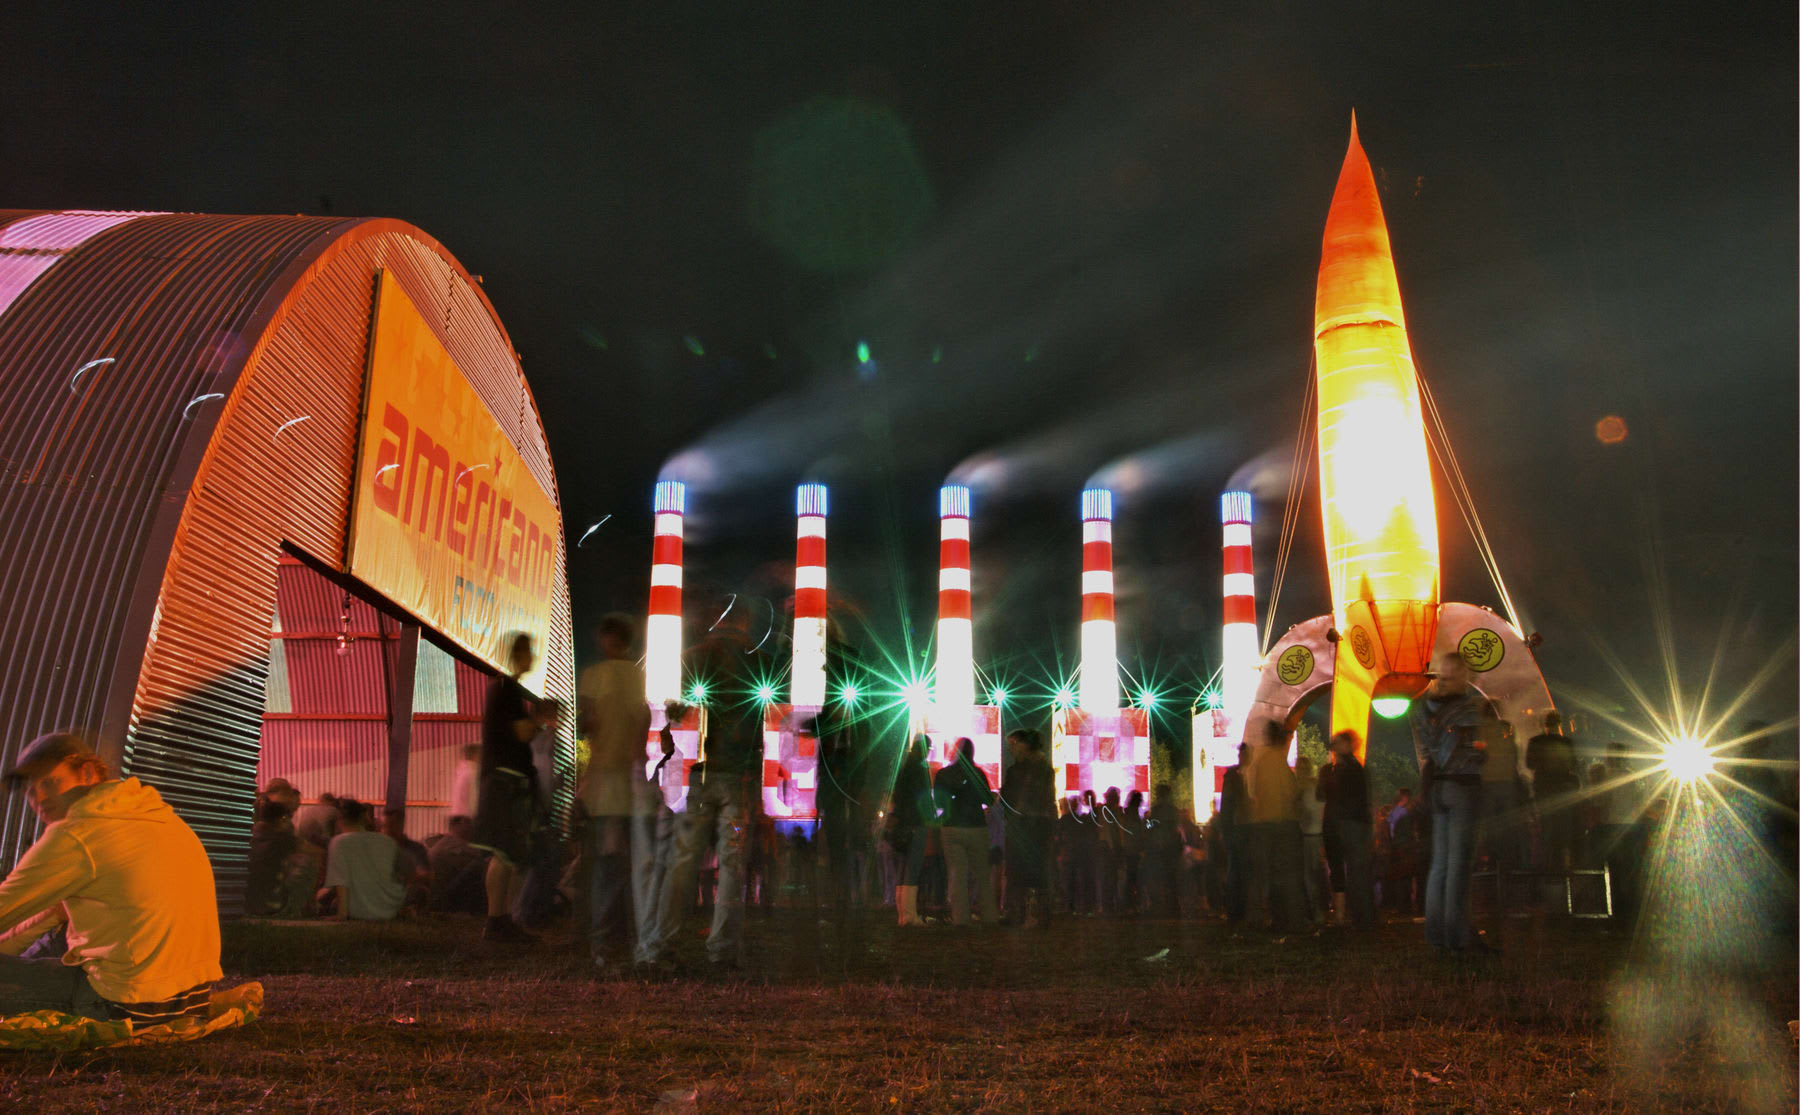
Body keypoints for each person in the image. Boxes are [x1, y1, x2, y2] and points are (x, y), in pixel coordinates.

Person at [0, 733, 222, 1023]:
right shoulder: (154, 814)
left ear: (88, 773)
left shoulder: (77, 831)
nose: (39, 799)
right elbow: (53, 914)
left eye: (50, 783)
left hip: (121, 1006)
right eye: (31, 791)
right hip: (190, 1001)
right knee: (60, 924)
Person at [643, 597, 763, 970]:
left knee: (682, 862)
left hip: (696, 776)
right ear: (743, 623)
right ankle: (721, 948)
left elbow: (669, 714)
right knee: (731, 864)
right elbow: (763, 719)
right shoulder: (755, 662)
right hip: (736, 779)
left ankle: (660, 944)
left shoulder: (694, 657)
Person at [576, 612, 652, 970]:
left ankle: (600, 942)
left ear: (608, 639)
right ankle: (631, 937)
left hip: (605, 783)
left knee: (603, 863)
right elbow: (645, 720)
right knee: (631, 864)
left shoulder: (594, 675)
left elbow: (586, 722)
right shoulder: (639, 676)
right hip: (632, 784)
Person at [472, 632, 555, 943]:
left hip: (506, 779)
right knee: (503, 852)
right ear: (517, 655)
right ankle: (496, 921)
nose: (532, 656)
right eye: (528, 651)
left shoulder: (505, 689)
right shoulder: (505, 689)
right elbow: (521, 733)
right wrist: (540, 718)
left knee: (508, 853)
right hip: (505, 781)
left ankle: (501, 919)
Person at [1409, 652, 1493, 954]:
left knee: (1440, 866)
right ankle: (1459, 936)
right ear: (1461, 674)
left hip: (1438, 787)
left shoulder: (1423, 708)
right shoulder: (1468, 708)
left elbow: (1429, 751)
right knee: (1459, 865)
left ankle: (1436, 935)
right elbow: (1476, 750)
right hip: (1463, 786)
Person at [1244, 722, 1304, 932]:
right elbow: (1290, 792)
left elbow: (1255, 794)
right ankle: (1287, 919)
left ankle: (1272, 917)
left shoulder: (1261, 761)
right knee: (1285, 876)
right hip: (1282, 825)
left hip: (1265, 825)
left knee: (1270, 876)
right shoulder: (1278, 760)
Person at [933, 737, 998, 926]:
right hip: (976, 826)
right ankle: (990, 916)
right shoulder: (978, 773)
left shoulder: (943, 774)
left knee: (957, 874)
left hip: (952, 826)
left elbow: (938, 802)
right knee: (982, 875)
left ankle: (961, 918)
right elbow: (987, 798)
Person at [1317, 730, 1375, 928]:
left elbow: (1331, 796)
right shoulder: (1349, 768)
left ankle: (1354, 916)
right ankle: (1352, 916)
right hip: (1346, 824)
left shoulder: (1346, 769)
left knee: (1347, 870)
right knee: (1351, 870)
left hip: (1345, 824)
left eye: (1337, 743)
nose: (1334, 747)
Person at [1001, 729, 1056, 928]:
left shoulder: (1018, 771)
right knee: (1036, 870)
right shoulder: (1045, 769)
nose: (1011, 749)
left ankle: (1020, 913)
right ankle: (1035, 914)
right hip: (1039, 825)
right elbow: (1049, 800)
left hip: (1023, 825)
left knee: (1020, 871)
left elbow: (1007, 798)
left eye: (1013, 745)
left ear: (1024, 745)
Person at [1475, 701, 1526, 912]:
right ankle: (1508, 879)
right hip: (1506, 787)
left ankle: (1490, 875)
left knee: (1489, 831)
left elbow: (1476, 758)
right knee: (1507, 834)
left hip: (1487, 786)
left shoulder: (1478, 732)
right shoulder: (1506, 732)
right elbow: (1514, 758)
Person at [319, 798, 406, 921]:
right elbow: (400, 877)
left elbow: (341, 882)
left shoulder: (339, 843)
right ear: (364, 818)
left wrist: (341, 915)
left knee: (330, 903)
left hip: (362, 911)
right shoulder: (387, 841)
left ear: (339, 821)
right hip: (390, 908)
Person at [1525, 711, 1581, 888]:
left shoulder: (1536, 742)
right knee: (1563, 829)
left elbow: (1529, 764)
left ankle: (1546, 870)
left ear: (1545, 724)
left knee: (1545, 828)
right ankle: (1563, 870)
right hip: (1562, 791)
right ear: (1559, 724)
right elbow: (1574, 764)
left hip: (1543, 790)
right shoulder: (1567, 742)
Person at [889, 734, 933, 926]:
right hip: (916, 823)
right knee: (913, 868)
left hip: (902, 824)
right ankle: (909, 915)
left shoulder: (903, 767)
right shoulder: (920, 770)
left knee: (902, 867)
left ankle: (902, 914)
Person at [428, 816, 488, 914]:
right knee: (483, 864)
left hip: (441, 899)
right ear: (461, 822)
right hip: (444, 903)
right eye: (470, 822)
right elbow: (482, 857)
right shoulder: (456, 845)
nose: (474, 827)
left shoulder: (444, 842)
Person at [1293, 756, 1329, 924]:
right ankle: (1319, 910)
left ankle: (1313, 911)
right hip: (1317, 834)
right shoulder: (1316, 786)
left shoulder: (1298, 789)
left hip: (1306, 835)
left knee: (1308, 876)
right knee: (1316, 874)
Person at [1218, 744, 1250, 924]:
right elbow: (1227, 807)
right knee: (1236, 871)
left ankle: (1237, 909)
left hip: (1242, 829)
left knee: (1237, 871)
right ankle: (1235, 909)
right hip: (1238, 829)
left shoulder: (1234, 776)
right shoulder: (1233, 777)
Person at [1142, 784, 1183, 917]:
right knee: (1171, 877)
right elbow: (1176, 828)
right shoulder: (1173, 810)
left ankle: (1158, 905)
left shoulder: (1157, 809)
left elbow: (1150, 825)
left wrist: (1147, 821)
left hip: (1158, 847)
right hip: (1170, 848)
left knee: (1158, 877)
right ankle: (1173, 905)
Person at [381, 807, 431, 910]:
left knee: (420, 891)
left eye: (393, 825)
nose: (388, 830)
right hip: (382, 892)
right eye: (385, 826)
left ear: (401, 825)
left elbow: (427, 874)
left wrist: (404, 879)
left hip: (404, 891)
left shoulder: (416, 849)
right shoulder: (378, 848)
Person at [448, 744, 481, 823]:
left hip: (456, 818)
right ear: (475, 756)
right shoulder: (473, 772)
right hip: (466, 820)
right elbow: (473, 800)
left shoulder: (463, 770)